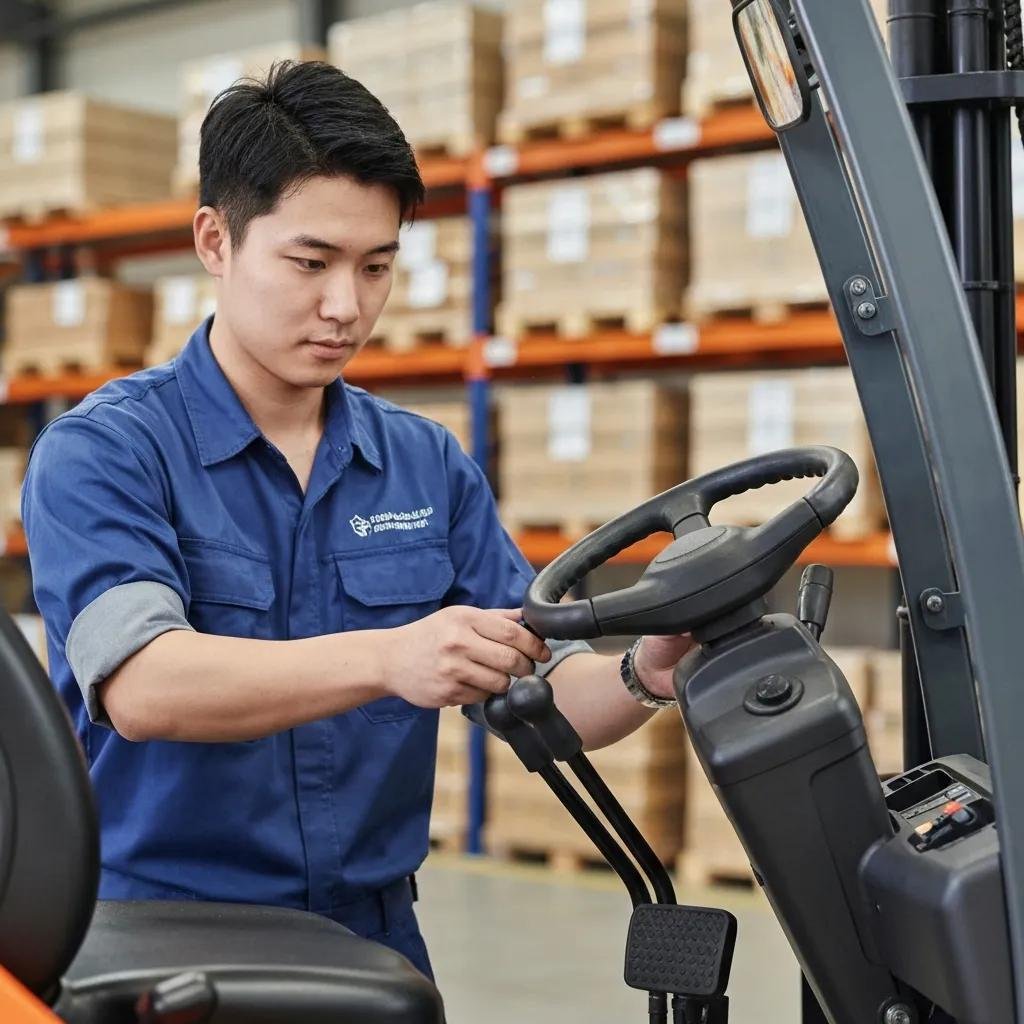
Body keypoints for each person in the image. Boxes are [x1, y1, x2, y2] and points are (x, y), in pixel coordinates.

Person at [21, 61, 691, 982]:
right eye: (311, 263)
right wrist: (392, 656)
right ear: (215, 240)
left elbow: (537, 689)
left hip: (370, 939)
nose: (347, 306)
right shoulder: (107, 453)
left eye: (376, 267)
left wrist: (644, 671)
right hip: (157, 941)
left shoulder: (424, 464)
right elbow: (144, 686)